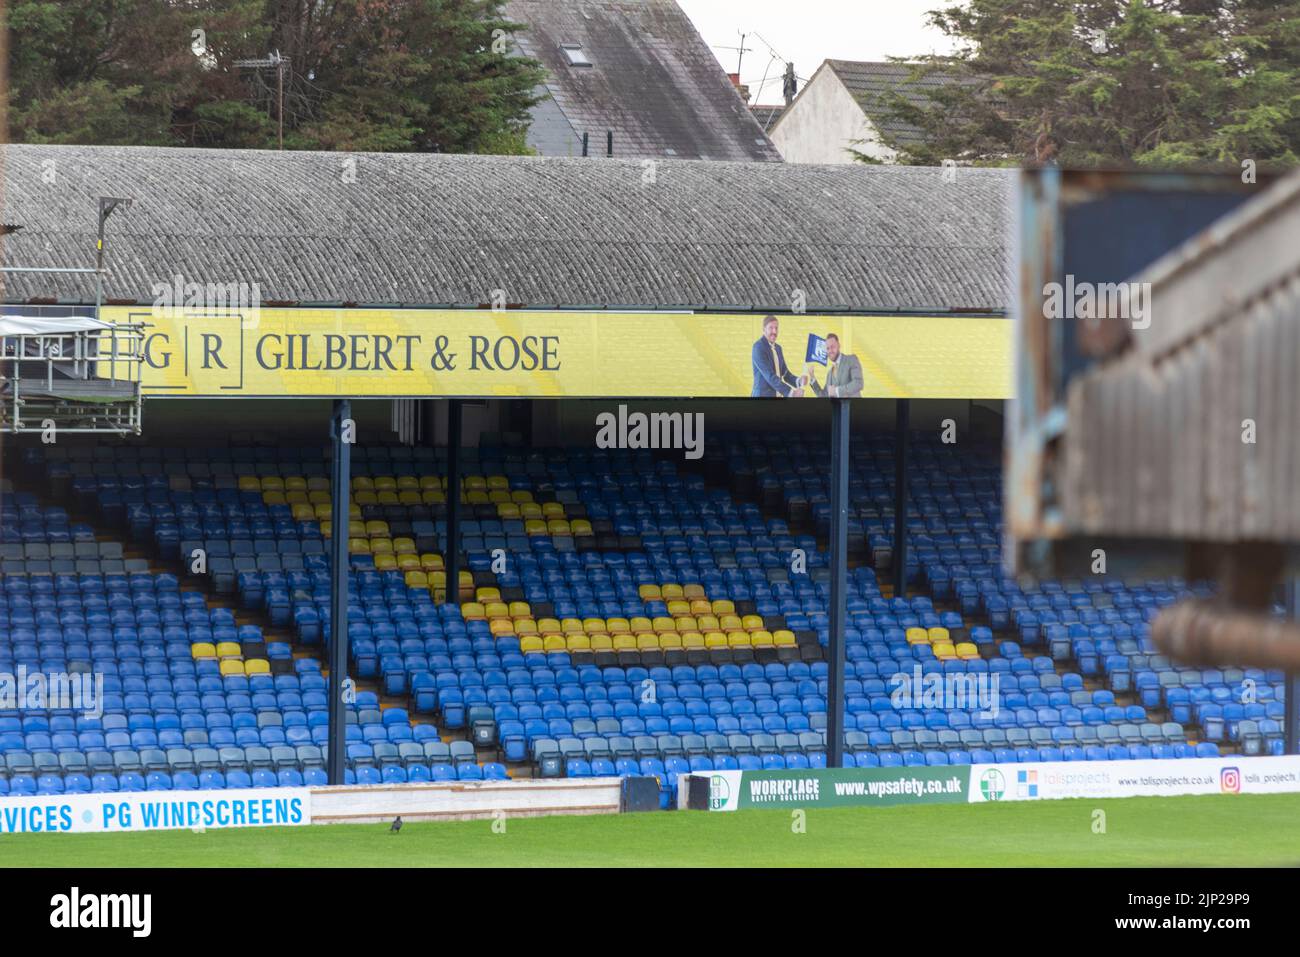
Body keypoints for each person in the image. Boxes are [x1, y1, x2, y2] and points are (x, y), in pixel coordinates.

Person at [750, 315, 804, 397]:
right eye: (771, 328)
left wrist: (799, 381)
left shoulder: (778, 348)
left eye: (776, 328)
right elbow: (769, 376)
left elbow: (785, 374)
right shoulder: (758, 347)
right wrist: (791, 393)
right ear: (764, 329)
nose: (774, 331)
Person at [807, 334, 864, 398]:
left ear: (839, 345)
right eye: (828, 348)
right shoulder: (829, 373)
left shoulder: (851, 359)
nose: (830, 350)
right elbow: (823, 395)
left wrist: (837, 391)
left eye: (833, 346)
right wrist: (812, 377)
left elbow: (858, 383)